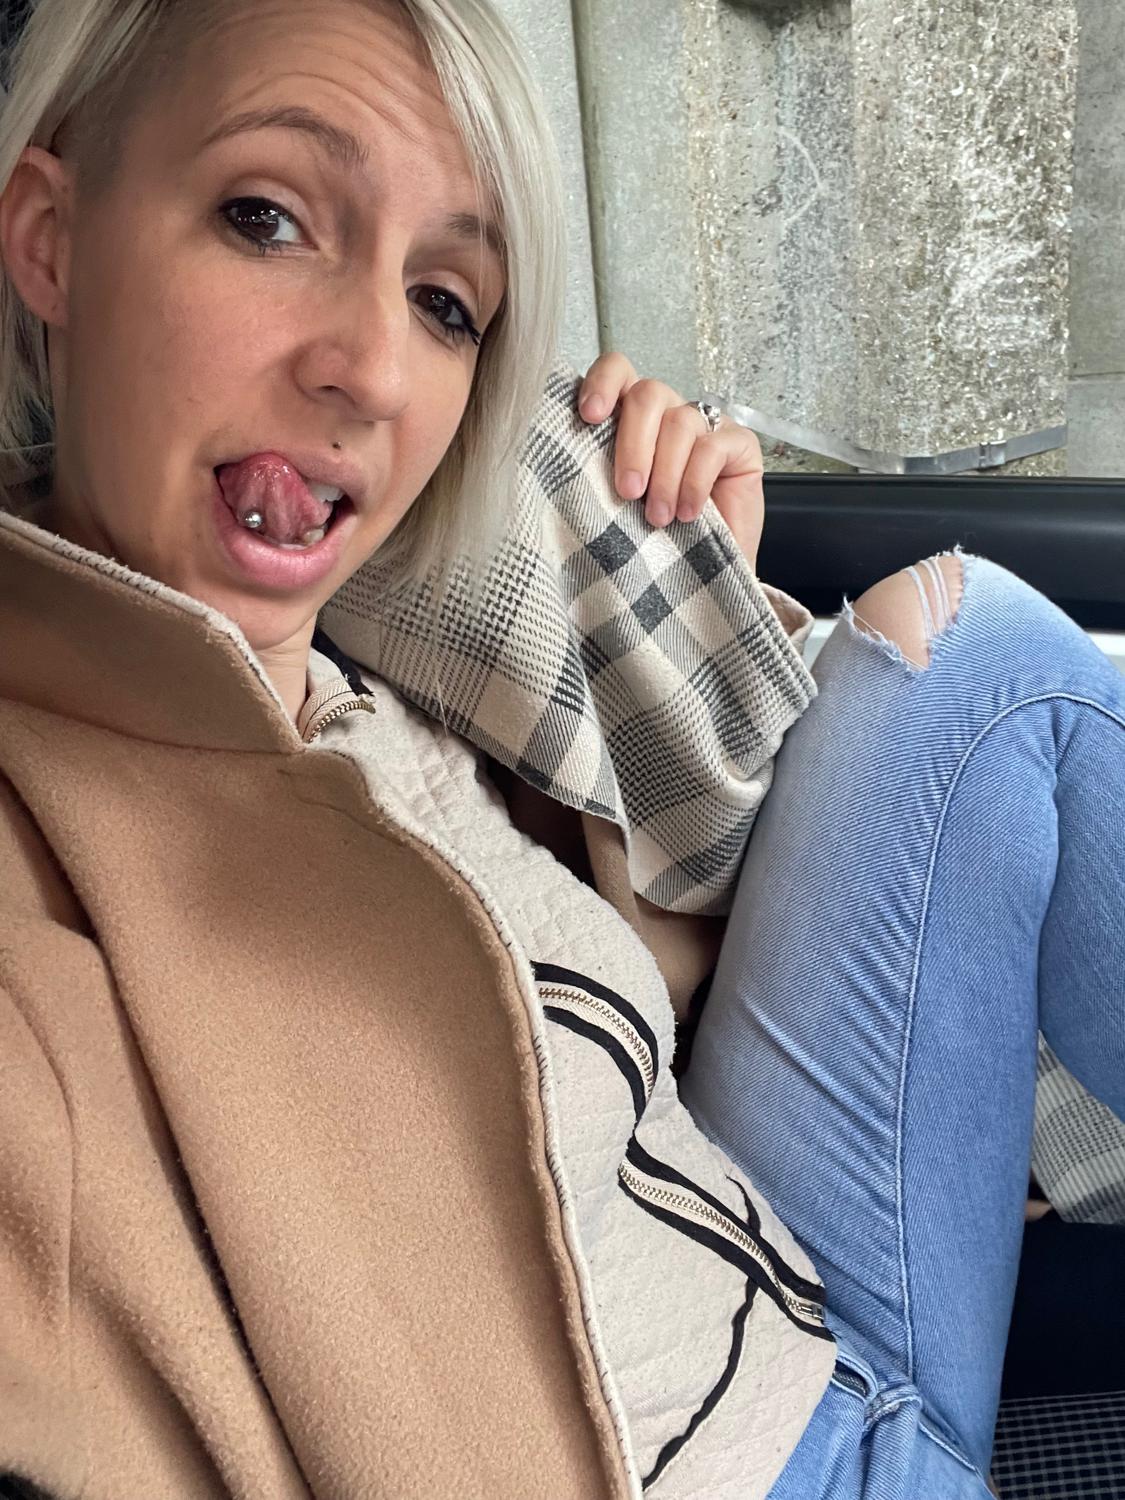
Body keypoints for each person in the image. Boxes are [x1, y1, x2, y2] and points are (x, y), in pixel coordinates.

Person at [0, 2, 1120, 1499]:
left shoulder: (388, 679)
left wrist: (701, 608)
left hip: (786, 1293)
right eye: (265, 217)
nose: (369, 367)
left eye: (444, 301)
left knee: (980, 664)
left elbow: (596, 1055)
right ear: (51, 237)